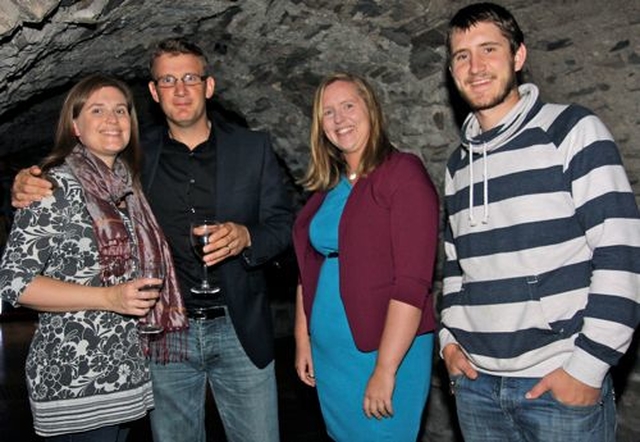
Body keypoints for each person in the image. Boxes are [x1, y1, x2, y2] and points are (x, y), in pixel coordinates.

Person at [11, 38, 292, 442]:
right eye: (168, 80)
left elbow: (284, 225)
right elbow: (79, 169)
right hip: (164, 333)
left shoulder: (254, 148)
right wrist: (28, 180)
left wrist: (248, 236)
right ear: (154, 92)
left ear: (209, 86)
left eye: (190, 78)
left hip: (238, 326)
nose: (180, 90)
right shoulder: (134, 156)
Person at [439, 3, 640, 442]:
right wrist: (448, 341)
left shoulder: (572, 131)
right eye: (461, 55)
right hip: (476, 387)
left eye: (488, 49)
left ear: (518, 56)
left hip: (556, 382)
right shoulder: (457, 166)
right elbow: (455, 265)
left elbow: (622, 254)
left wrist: (587, 368)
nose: (475, 66)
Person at [0, 74, 186, 441]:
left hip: (123, 374)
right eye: (97, 110)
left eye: (120, 110)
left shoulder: (125, 188)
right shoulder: (54, 186)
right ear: (75, 126)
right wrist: (108, 298)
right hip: (75, 380)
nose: (112, 119)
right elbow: (12, 283)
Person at [292, 72, 440, 441]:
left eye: (348, 106)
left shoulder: (402, 173)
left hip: (382, 350)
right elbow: (308, 267)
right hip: (331, 353)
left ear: (370, 109)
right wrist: (303, 337)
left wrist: (386, 369)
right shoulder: (328, 189)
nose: (339, 119)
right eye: (328, 112)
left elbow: (412, 284)